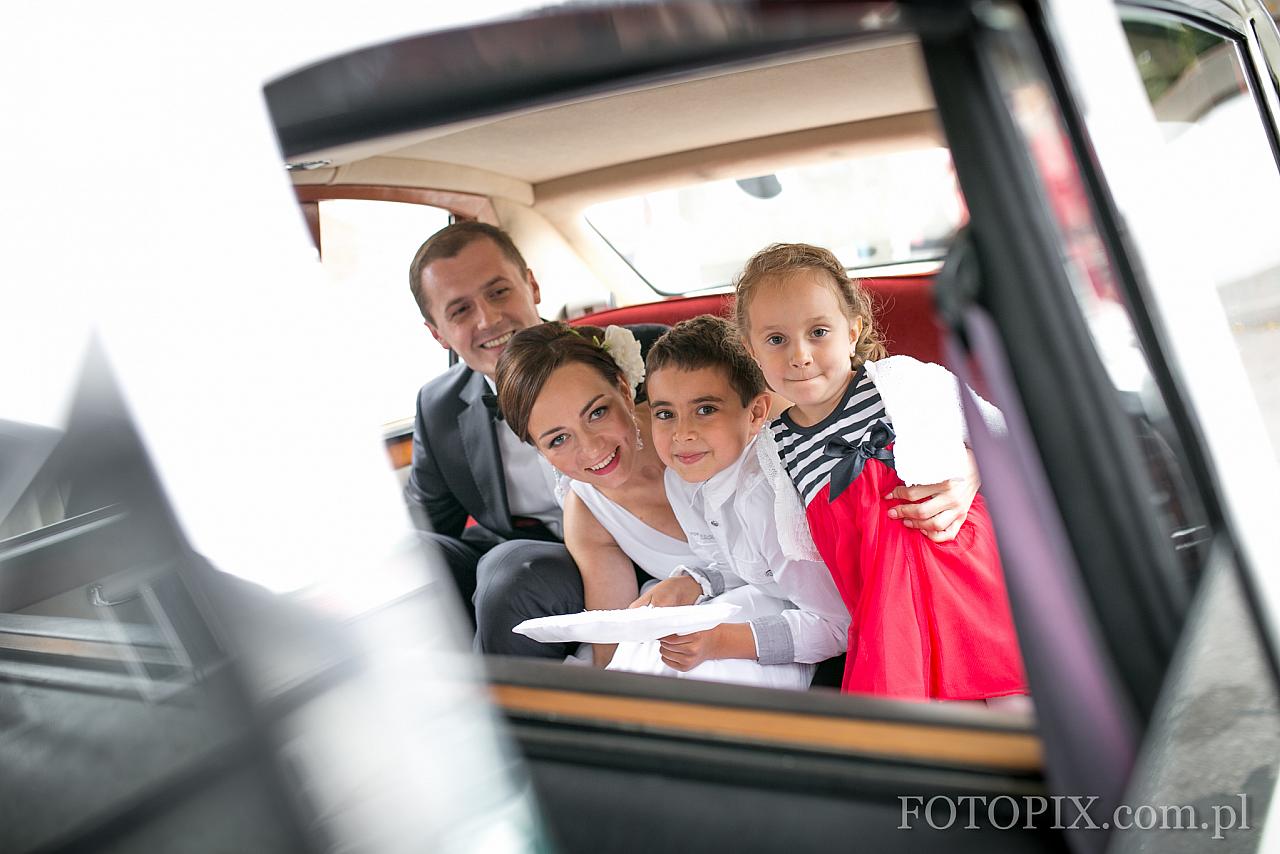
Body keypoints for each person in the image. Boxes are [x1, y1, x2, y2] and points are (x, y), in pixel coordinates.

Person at [734, 242, 1028, 701]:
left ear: (852, 332)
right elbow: (804, 546)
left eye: (818, 332)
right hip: (887, 613)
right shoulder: (775, 448)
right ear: (752, 350)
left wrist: (969, 470)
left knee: (1014, 706)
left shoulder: (903, 381)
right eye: (776, 340)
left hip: (964, 574)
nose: (800, 355)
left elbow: (1008, 436)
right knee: (920, 734)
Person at [405, 221, 660, 657]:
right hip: (513, 555)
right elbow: (427, 522)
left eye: (498, 291)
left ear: (532, 285)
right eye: (460, 310)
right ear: (437, 333)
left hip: (622, 554)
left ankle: (513, 717)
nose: (488, 319)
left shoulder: (648, 354)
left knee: (514, 572)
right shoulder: (438, 405)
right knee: (410, 553)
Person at [641, 316, 848, 681]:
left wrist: (721, 642)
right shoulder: (681, 479)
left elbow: (837, 624)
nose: (682, 433)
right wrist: (692, 581)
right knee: (645, 653)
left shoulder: (767, 496)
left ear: (755, 414)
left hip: (815, 631)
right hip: (769, 602)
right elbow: (735, 564)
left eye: (705, 409)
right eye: (665, 414)